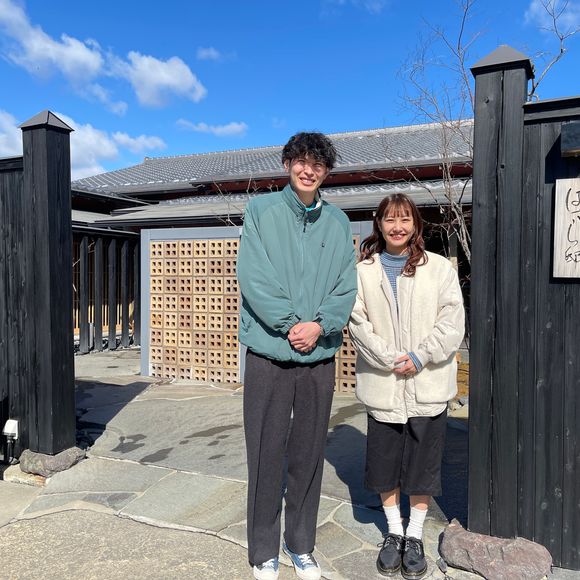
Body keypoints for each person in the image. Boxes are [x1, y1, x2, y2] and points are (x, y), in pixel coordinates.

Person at [237, 132, 357, 580]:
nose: (309, 170)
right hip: (269, 352)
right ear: (288, 164)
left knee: (308, 454)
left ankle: (300, 544)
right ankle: (263, 550)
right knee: (265, 453)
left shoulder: (338, 222)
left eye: (318, 165)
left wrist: (320, 325)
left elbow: (346, 285)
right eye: (302, 162)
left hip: (319, 354)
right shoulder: (261, 210)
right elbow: (254, 276)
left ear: (327, 172)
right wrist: (291, 324)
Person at [348, 194, 464, 579]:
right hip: (383, 385)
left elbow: (452, 321)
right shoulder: (363, 271)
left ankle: (414, 534)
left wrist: (420, 355)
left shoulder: (438, 268)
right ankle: (393, 532)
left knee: (422, 465)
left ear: (415, 224)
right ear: (379, 224)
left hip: (427, 382)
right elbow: (357, 322)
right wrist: (389, 357)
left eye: (405, 219)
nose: (397, 227)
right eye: (390, 220)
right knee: (384, 464)